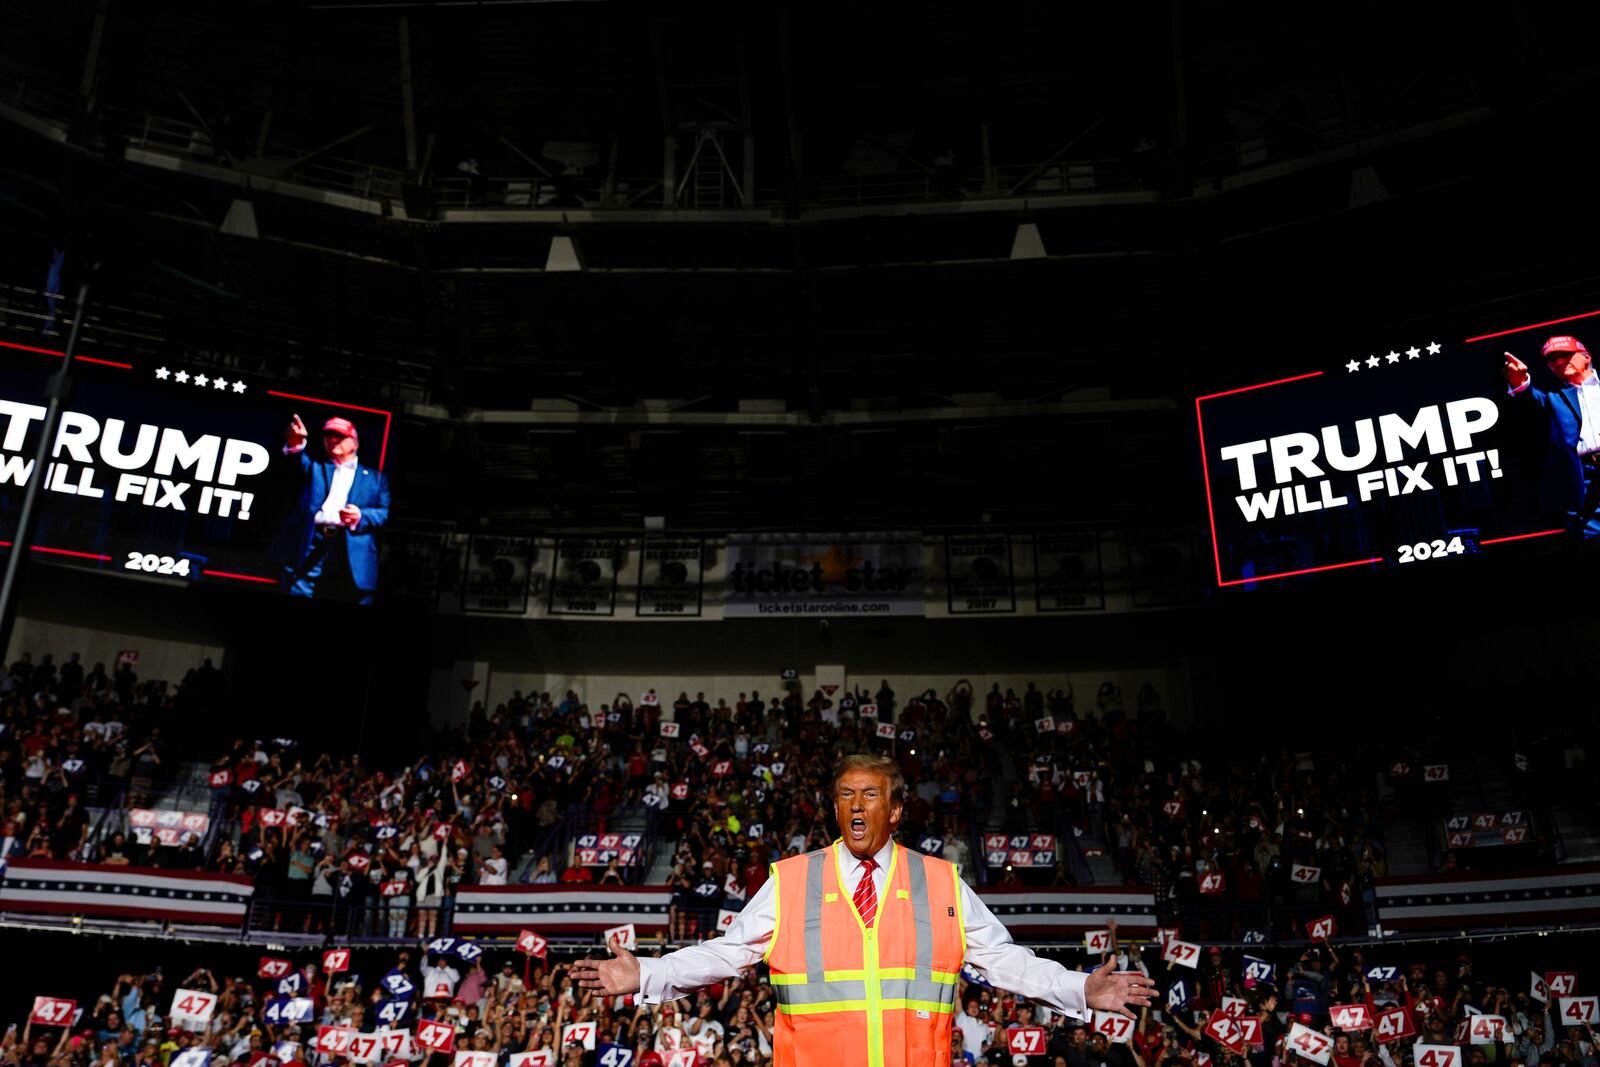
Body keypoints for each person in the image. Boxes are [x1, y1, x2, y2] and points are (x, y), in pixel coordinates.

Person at [574, 753, 1155, 1067]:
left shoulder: (941, 882)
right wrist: (647, 972)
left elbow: (1005, 962)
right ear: (833, 809)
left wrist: (1081, 989)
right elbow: (727, 954)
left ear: (896, 811)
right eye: (845, 795)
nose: (856, 804)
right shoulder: (793, 880)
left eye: (870, 794)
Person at [269, 413, 391, 604]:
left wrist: (360, 515)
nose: (333, 440)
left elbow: (384, 513)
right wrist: (295, 445)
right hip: (312, 541)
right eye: (328, 436)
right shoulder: (315, 467)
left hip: (350, 547)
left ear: (355, 443)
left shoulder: (375, 478)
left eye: (340, 436)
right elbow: (294, 466)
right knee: (298, 591)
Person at [1502, 335, 1600, 537]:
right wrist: (1519, 381)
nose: (1559, 362)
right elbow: (1530, 401)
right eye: (1552, 360)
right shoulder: (1552, 397)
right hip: (1584, 478)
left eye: (1565, 355)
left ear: (1587, 357)